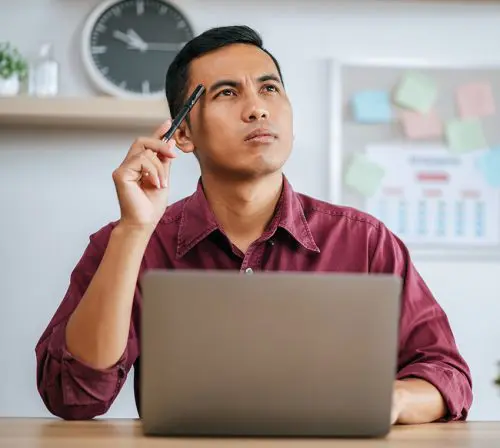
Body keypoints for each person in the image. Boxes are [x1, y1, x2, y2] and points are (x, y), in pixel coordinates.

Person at [35, 25, 472, 424]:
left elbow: (446, 375)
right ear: (182, 135)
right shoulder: (129, 241)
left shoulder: (366, 241)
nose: (258, 109)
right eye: (227, 93)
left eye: (269, 89)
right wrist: (133, 231)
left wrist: (390, 399)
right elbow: (73, 395)